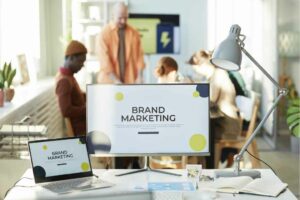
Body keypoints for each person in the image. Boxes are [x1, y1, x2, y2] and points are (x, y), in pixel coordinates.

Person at [188, 49, 242, 168]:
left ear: (202, 64)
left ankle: (204, 168)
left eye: (196, 69)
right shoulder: (216, 74)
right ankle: (203, 167)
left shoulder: (218, 75)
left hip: (228, 125)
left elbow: (211, 99)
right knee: (199, 134)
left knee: (198, 135)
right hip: (225, 121)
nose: (196, 72)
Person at [97, 2, 145, 84]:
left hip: (130, 81)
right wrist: (115, 80)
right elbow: (104, 60)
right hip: (109, 82)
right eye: (120, 18)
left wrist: (140, 77)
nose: (123, 21)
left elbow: (140, 57)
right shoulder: (104, 33)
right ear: (113, 15)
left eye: (125, 18)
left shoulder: (134, 33)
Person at [55, 40, 87, 136]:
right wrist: (88, 109)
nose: (82, 65)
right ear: (71, 58)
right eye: (81, 61)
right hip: (80, 132)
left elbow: (76, 97)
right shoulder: (64, 81)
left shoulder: (68, 76)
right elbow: (66, 110)